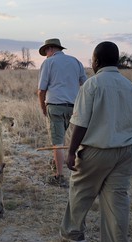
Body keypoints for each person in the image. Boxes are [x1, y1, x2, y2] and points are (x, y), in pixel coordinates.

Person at [60, 41, 132, 242]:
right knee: (117, 203)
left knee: (81, 189)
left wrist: (71, 151)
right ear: (117, 61)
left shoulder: (92, 85)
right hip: (126, 151)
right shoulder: (130, 86)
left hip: (97, 150)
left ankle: (73, 233)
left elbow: (80, 123)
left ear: (95, 61)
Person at [37, 38, 87, 188]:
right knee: (61, 137)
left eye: (46, 51)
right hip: (73, 107)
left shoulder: (48, 63)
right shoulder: (76, 61)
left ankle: (59, 176)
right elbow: (85, 84)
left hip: (55, 106)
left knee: (57, 142)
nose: (46, 54)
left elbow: (41, 90)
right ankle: (57, 162)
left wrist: (43, 108)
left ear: (50, 49)